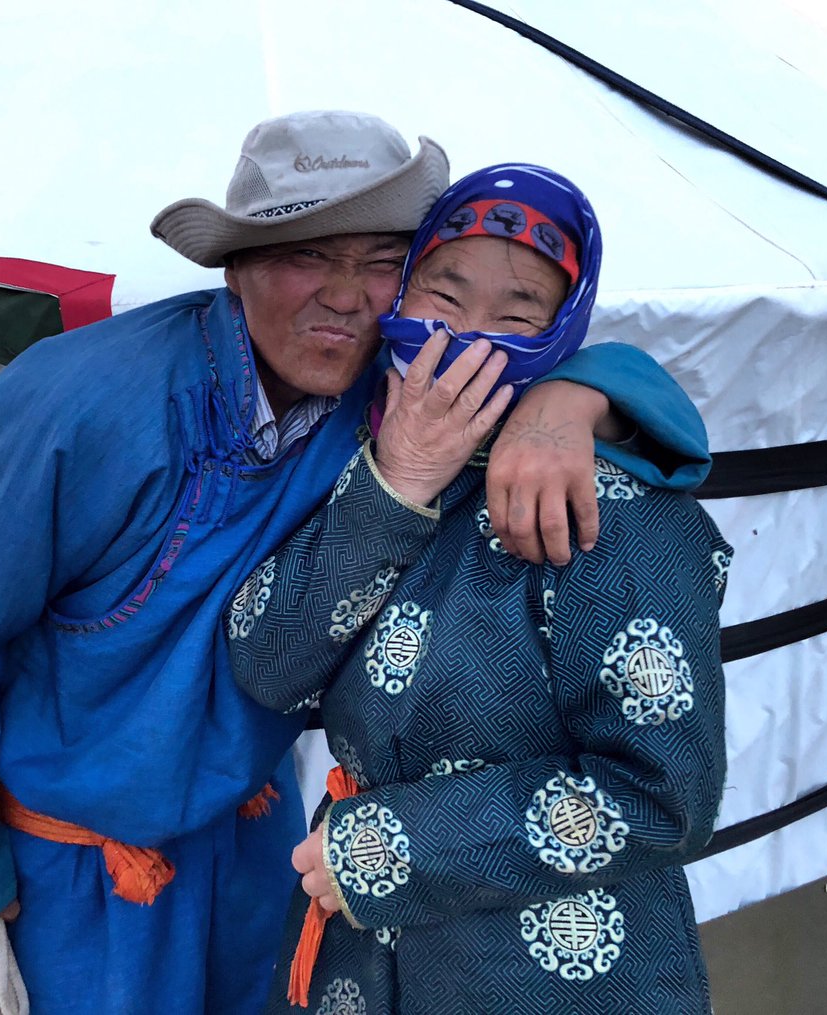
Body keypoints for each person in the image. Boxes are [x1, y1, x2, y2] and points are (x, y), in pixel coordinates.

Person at [0, 112, 711, 1015]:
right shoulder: (71, 404)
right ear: (237, 266)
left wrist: (577, 398)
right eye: (306, 254)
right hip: (82, 868)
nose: (347, 297)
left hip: (268, 850)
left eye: (381, 259)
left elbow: (615, 386)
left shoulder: (409, 393)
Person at [228, 163, 731, 1014]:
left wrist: (385, 852)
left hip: (552, 982)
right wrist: (399, 482)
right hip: (360, 963)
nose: (466, 337)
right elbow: (268, 664)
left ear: (563, 330)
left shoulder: (613, 511)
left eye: (518, 313)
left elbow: (663, 792)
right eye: (443, 297)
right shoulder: (366, 457)